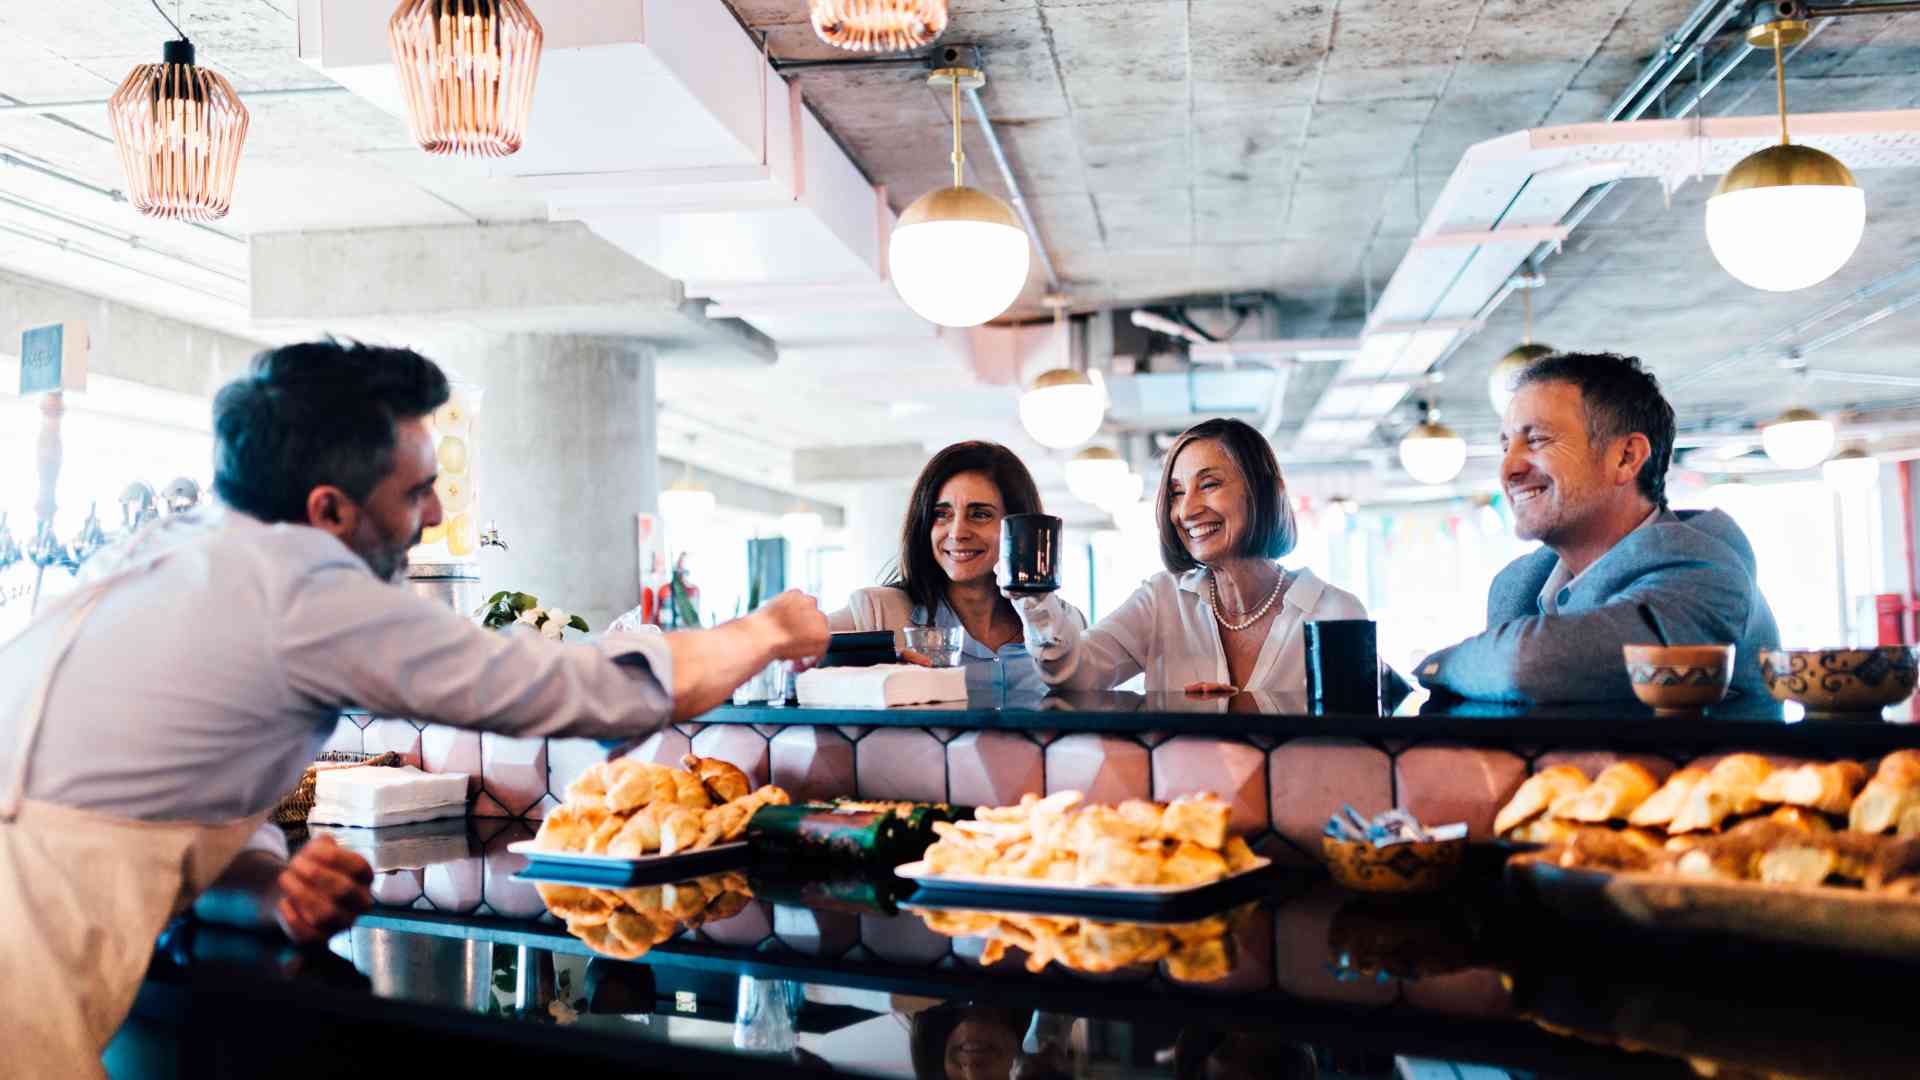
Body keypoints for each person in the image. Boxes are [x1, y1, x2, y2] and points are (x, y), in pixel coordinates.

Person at [0, 341, 829, 1077]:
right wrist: (763, 630)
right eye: (418, 493)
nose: (434, 517)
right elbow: (574, 688)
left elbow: (166, 779)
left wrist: (268, 878)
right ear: (329, 509)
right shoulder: (305, 588)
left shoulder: (180, 550)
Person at [1417, 351, 1780, 704]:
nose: (1509, 468)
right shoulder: (1516, 586)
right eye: (1505, 445)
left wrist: (1437, 666)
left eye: (1538, 439)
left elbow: (1528, 664)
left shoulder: (1709, 574)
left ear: (1626, 458)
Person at [1007, 417, 1366, 694]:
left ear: (1266, 492)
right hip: (1185, 792)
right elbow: (1074, 676)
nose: (1187, 510)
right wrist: (1035, 600)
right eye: (1177, 493)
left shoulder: (1336, 612)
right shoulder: (1161, 600)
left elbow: (1356, 743)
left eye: (1209, 484)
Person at [829, 441, 1083, 695]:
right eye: (942, 514)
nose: (958, 532)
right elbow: (798, 655)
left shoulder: (1067, 623)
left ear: (1018, 527)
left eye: (980, 514)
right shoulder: (875, 612)